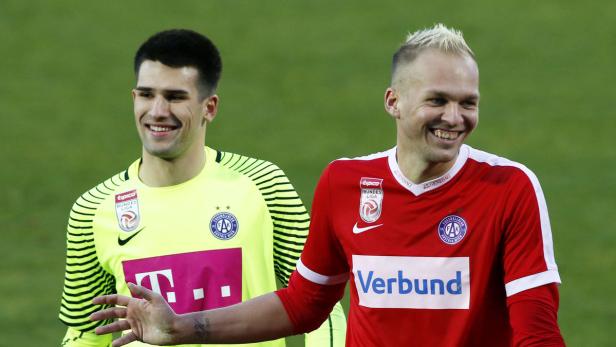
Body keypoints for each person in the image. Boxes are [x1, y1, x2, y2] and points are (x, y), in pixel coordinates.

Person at [90, 24, 565, 346]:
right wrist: (182, 326)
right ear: (393, 101)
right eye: (437, 100)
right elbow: (303, 304)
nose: (455, 118)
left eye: (468, 103)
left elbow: (535, 328)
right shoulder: (346, 184)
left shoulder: (508, 187)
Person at [58, 29, 346, 347]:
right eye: (146, 94)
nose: (157, 111)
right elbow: (84, 334)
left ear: (209, 107)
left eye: (175, 97)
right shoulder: (94, 208)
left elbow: (322, 306)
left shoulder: (264, 184)